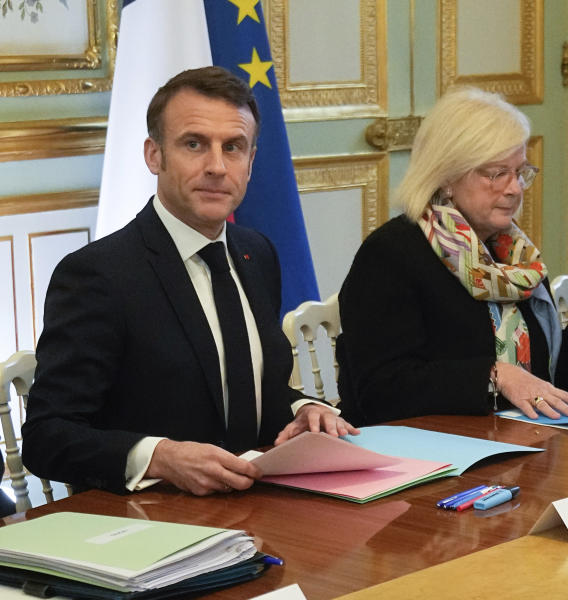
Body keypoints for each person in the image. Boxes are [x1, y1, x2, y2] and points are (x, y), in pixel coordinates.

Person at [22, 66, 356, 497]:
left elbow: (247, 388)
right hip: (153, 521)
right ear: (154, 155)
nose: (217, 167)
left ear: (251, 162)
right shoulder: (98, 275)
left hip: (258, 505)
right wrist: (159, 456)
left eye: (233, 148)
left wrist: (302, 408)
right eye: (194, 144)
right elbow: (48, 436)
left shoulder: (257, 253)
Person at [336, 87, 568, 426]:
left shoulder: (514, 256)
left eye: (521, 173)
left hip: (516, 441)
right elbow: (382, 390)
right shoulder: (391, 255)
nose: (515, 189)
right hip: (427, 455)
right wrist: (494, 376)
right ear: (446, 176)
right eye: (496, 174)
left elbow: (543, 378)